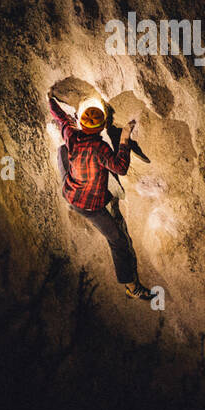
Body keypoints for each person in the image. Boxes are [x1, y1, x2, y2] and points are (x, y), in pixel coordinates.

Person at [47, 90, 154, 300]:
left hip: (69, 192)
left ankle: (74, 183)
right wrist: (124, 139)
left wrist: (51, 99)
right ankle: (133, 288)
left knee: (62, 151)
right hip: (90, 207)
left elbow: (60, 118)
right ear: (103, 126)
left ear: (81, 124)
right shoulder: (101, 148)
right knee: (118, 241)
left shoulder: (73, 135)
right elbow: (120, 167)